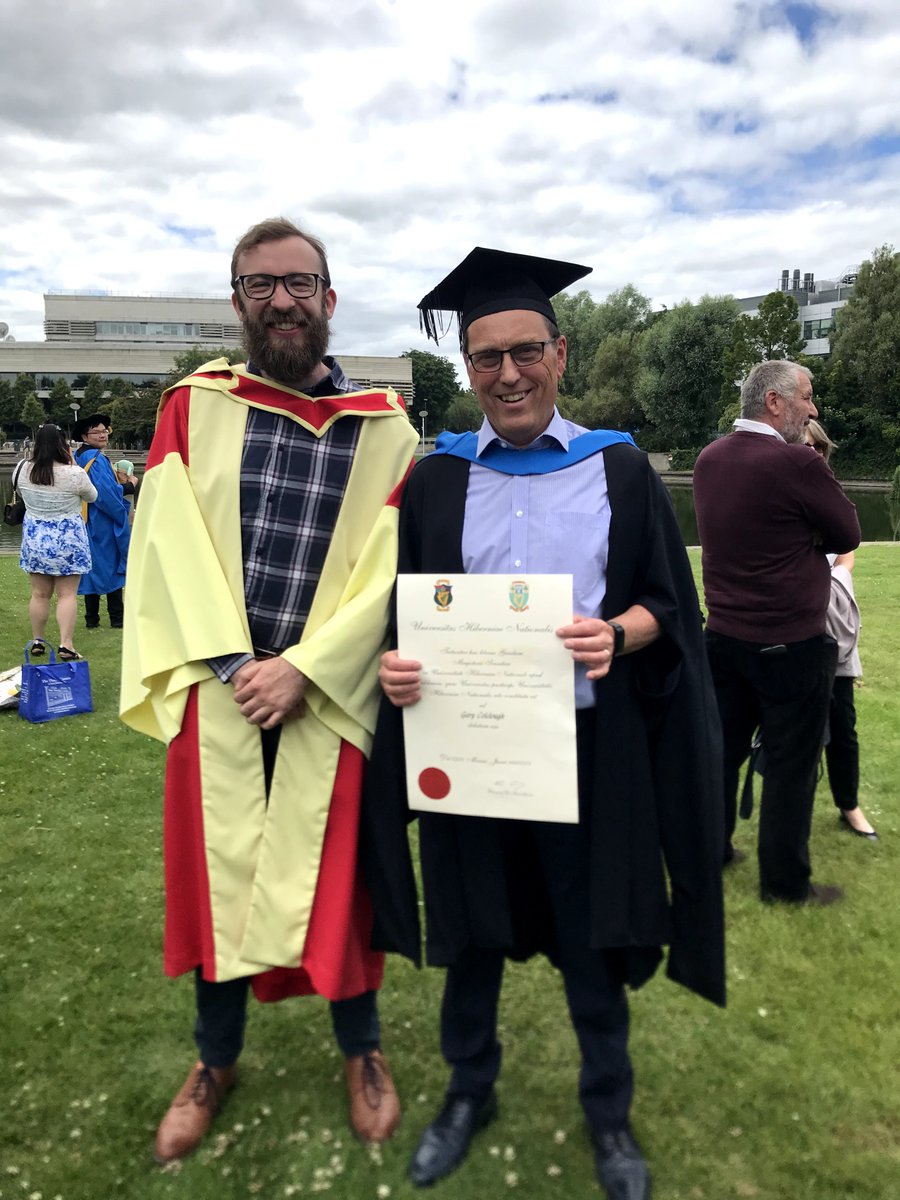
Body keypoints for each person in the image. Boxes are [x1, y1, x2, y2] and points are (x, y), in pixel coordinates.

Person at [361, 248, 725, 1200]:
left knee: (594, 940)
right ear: (468, 367)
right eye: (487, 357)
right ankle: (466, 1092)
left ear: (561, 355)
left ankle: (609, 1113)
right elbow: (408, 615)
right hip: (469, 755)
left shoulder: (619, 471)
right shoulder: (436, 481)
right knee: (471, 937)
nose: (509, 374)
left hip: (590, 755)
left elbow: (669, 608)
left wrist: (619, 633)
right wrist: (398, 664)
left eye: (527, 351)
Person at [120, 217, 418, 1163]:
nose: (282, 301)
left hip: (331, 695)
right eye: (261, 285)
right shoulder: (192, 408)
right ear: (238, 302)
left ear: (329, 298)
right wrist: (232, 663)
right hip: (221, 689)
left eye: (298, 284)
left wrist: (307, 668)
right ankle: (214, 1059)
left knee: (345, 882)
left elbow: (390, 571)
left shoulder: (389, 431)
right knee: (220, 878)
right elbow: (167, 544)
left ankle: (362, 1050)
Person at [693, 361, 861, 905]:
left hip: (723, 638)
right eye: (806, 397)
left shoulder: (710, 458)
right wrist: (807, 536)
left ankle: (711, 851)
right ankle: (785, 886)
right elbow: (847, 532)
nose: (813, 409)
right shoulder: (797, 463)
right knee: (791, 766)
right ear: (774, 401)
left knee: (723, 753)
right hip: (791, 645)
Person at [805, 420, 877, 840]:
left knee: (842, 723)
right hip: (790, 625)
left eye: (818, 448)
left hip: (833, 623)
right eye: (805, 446)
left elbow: (847, 553)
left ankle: (849, 805)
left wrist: (834, 580)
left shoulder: (831, 496)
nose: (813, 454)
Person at [16, 423, 97, 661]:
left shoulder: (23, 469)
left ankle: (38, 640)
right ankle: (66, 644)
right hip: (68, 539)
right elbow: (93, 496)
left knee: (39, 593)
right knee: (66, 594)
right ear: (63, 445)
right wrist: (72, 463)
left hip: (35, 539)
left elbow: (21, 493)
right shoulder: (74, 474)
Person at [73, 413, 131, 629]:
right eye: (96, 432)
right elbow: (105, 495)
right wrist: (129, 487)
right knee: (112, 566)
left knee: (91, 568)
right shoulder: (96, 460)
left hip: (83, 519)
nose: (102, 435)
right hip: (101, 521)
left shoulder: (77, 456)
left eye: (104, 431)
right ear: (84, 436)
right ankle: (117, 618)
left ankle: (91, 619)